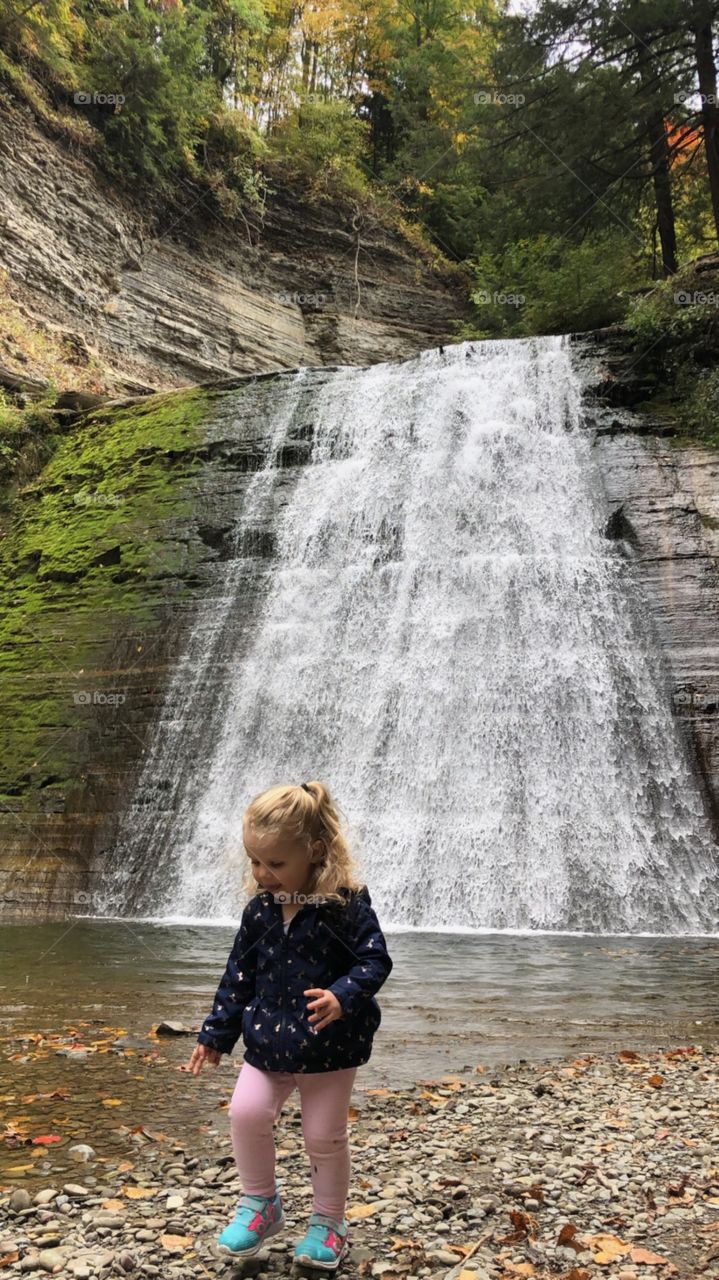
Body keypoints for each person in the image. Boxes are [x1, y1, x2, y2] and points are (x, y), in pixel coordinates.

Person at [186, 780, 394, 1271]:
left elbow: (374, 961)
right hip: (266, 1043)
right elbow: (238, 977)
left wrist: (342, 996)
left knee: (324, 1136)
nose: (262, 874)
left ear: (315, 851)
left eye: (275, 863)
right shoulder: (259, 912)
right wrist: (215, 1035)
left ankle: (329, 1223)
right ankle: (261, 1203)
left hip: (329, 1045)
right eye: (254, 861)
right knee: (245, 1114)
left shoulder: (344, 906)